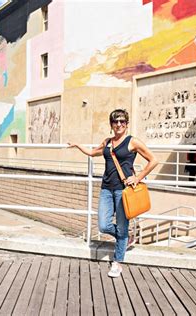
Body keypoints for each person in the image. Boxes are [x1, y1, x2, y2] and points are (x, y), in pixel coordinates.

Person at [68, 109, 157, 278]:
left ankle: (117, 261)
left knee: (122, 226)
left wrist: (138, 177)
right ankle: (125, 237)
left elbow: (154, 160)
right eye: (115, 122)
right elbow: (93, 153)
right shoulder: (108, 142)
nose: (119, 124)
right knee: (103, 224)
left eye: (122, 121)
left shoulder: (133, 142)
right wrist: (78, 145)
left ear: (127, 124)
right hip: (106, 188)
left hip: (124, 191)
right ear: (111, 124)